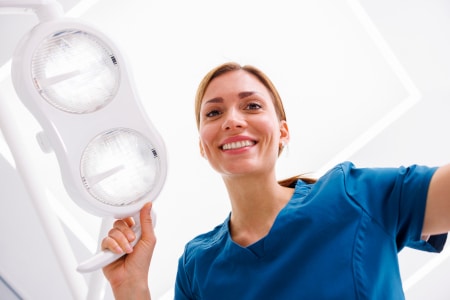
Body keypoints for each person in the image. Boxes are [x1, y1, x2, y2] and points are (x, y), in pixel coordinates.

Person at [101, 62, 450, 299]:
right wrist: (131, 288)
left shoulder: (351, 195)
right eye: (214, 112)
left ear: (282, 133)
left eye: (251, 106)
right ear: (203, 147)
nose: (232, 121)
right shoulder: (198, 265)